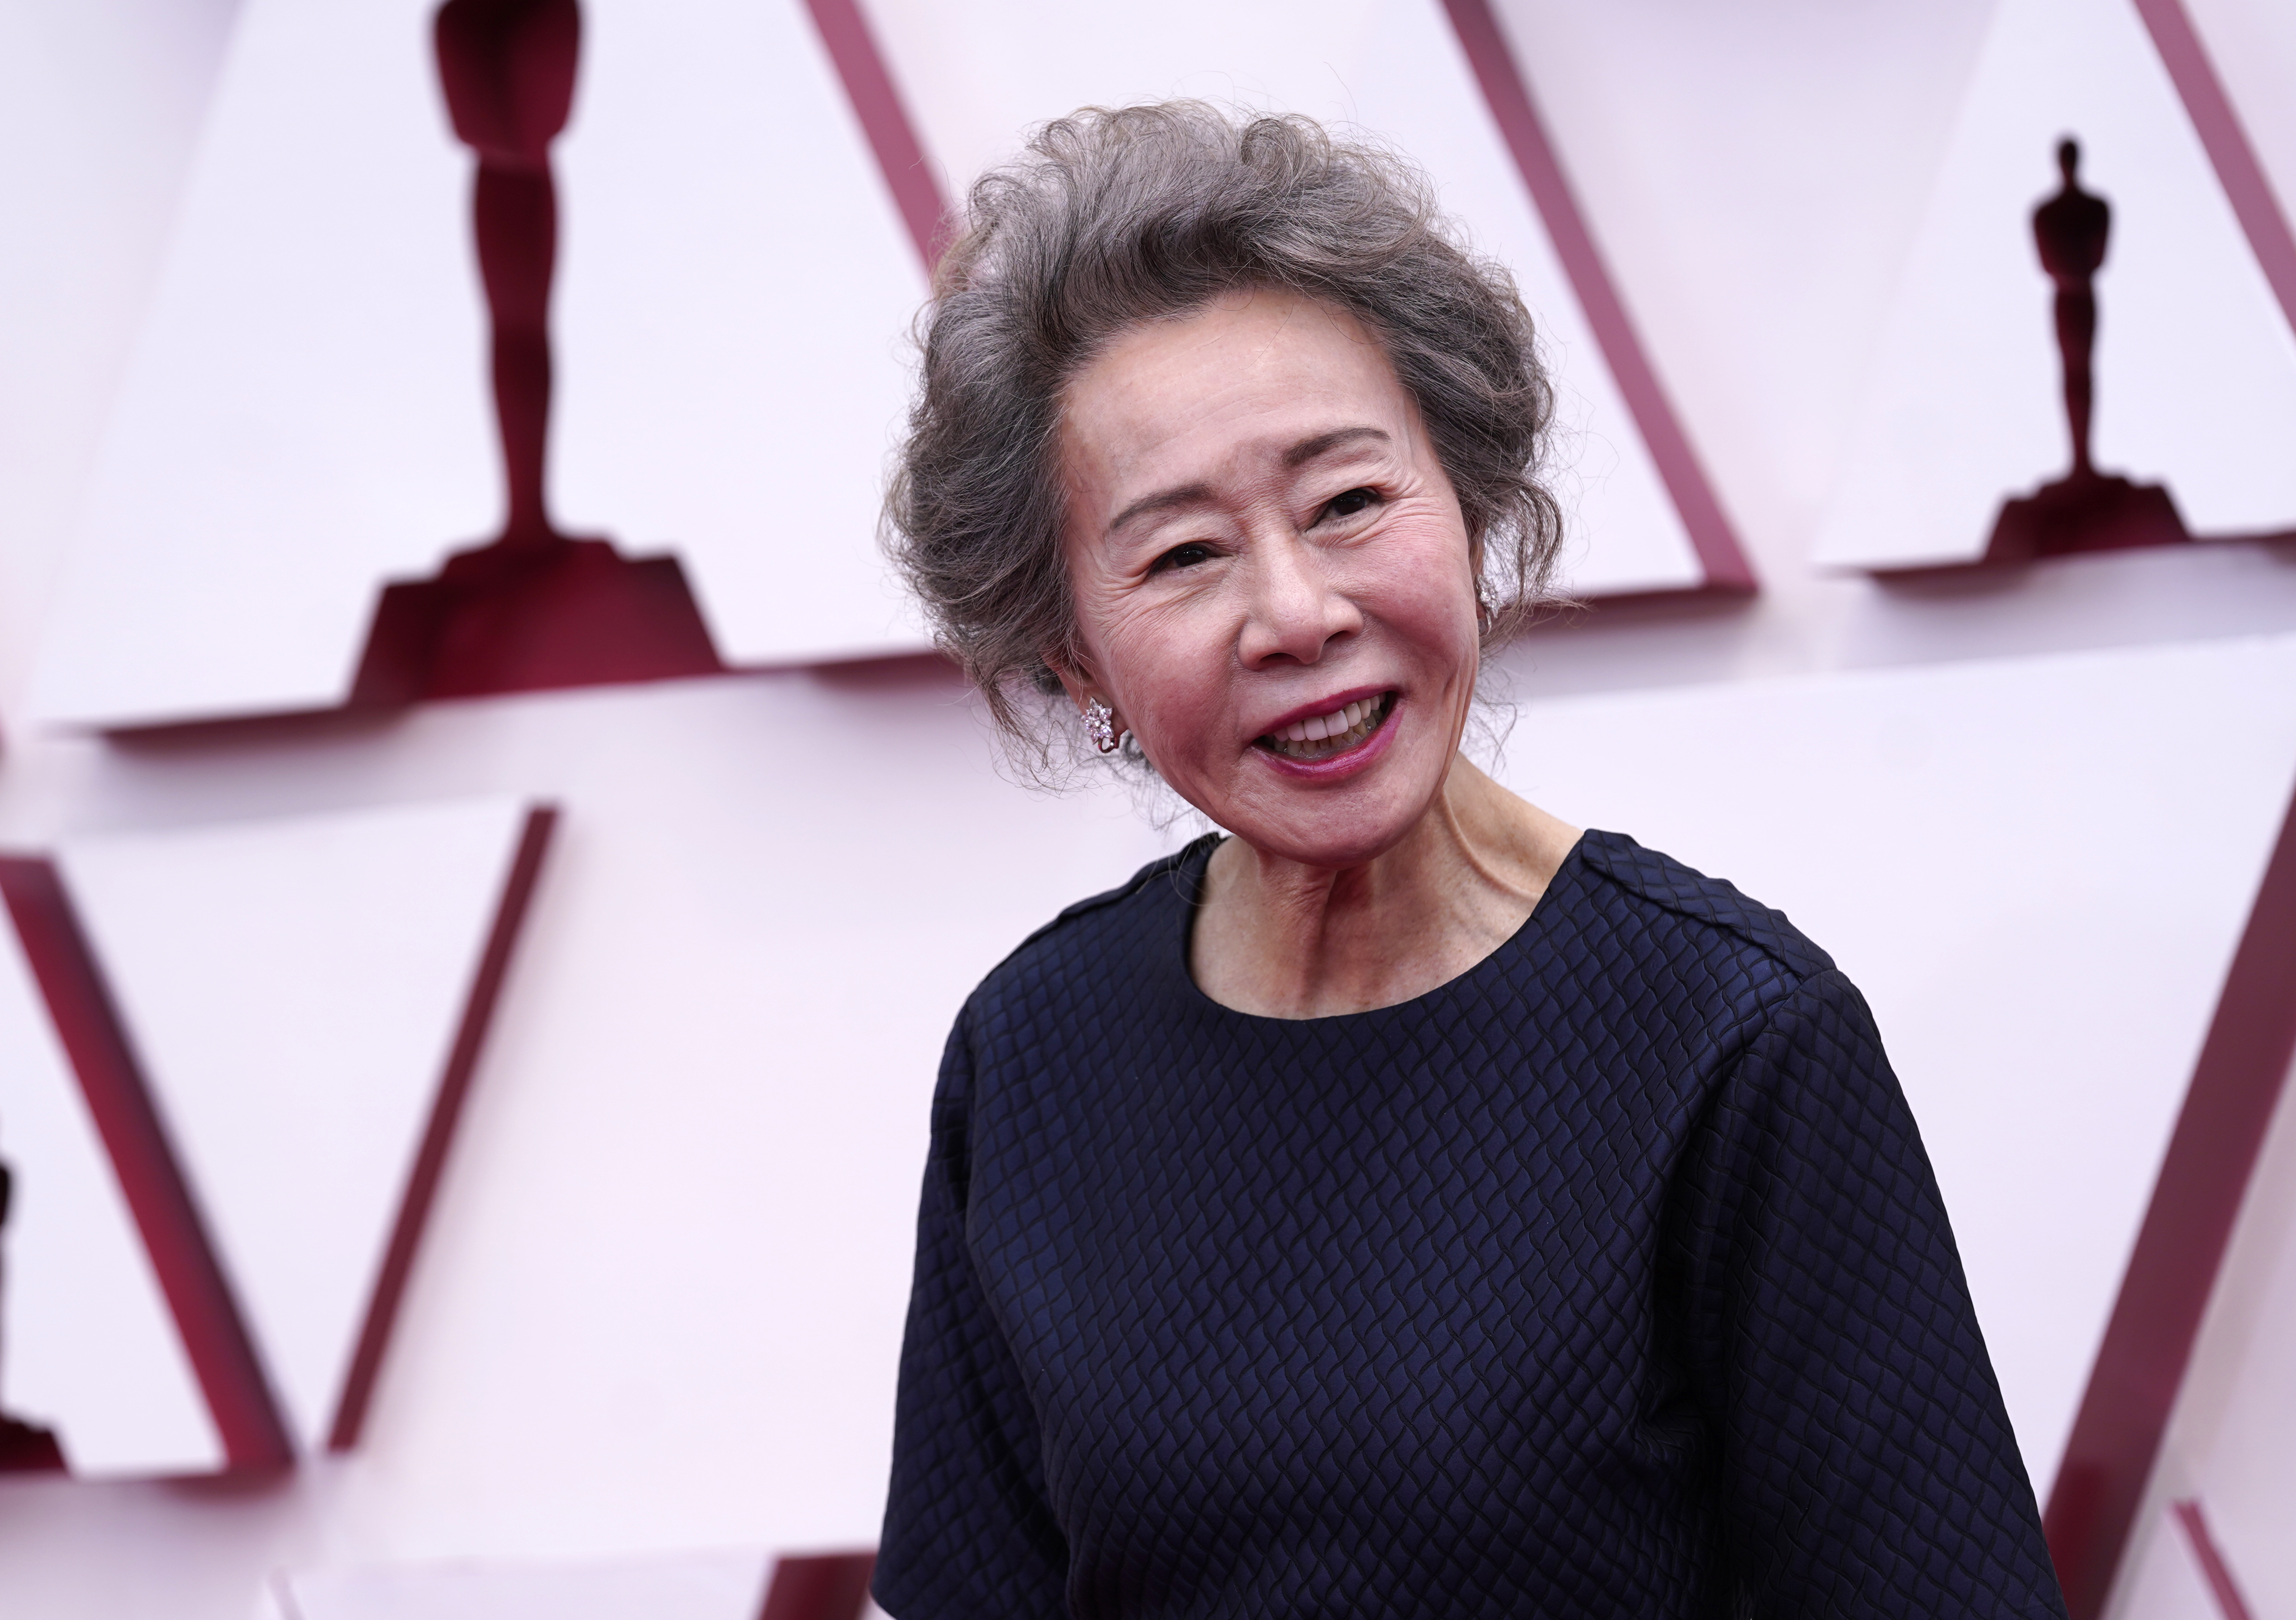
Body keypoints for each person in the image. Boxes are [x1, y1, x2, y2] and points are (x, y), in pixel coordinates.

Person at [872, 104, 2067, 1619]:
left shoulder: (1727, 1041)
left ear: (1470, 503)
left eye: (1350, 500)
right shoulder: (1034, 1052)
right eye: (1182, 554)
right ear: (1070, 655)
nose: (1296, 610)